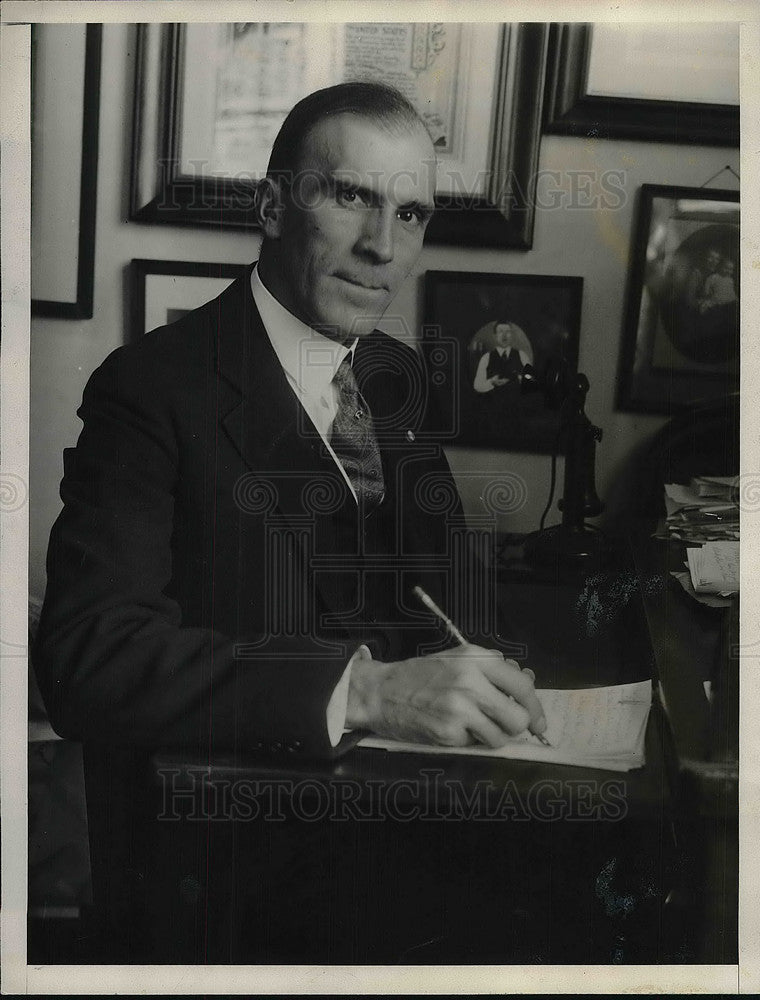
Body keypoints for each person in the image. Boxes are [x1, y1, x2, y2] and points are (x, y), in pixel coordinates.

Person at [36, 81, 544, 766]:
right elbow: (89, 658)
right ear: (272, 207)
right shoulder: (150, 388)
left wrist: (502, 671)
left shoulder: (397, 376)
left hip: (413, 804)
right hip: (230, 831)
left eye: (412, 213)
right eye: (352, 196)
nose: (383, 248)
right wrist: (361, 691)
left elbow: (457, 595)